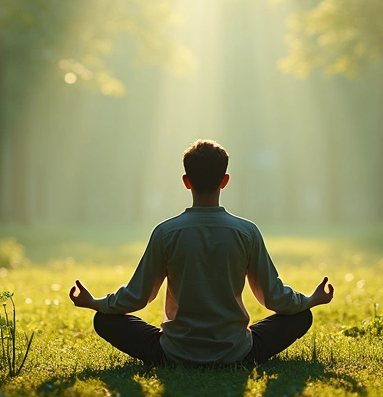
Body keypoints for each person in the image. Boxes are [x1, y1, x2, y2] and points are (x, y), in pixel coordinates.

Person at [69, 139, 335, 366]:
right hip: (237, 352)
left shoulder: (166, 232)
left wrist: (95, 303)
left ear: (186, 181)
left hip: (174, 352)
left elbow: (137, 296)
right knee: (302, 316)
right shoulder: (246, 232)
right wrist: (312, 299)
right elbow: (274, 297)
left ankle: (174, 352)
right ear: (225, 181)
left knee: (105, 321)